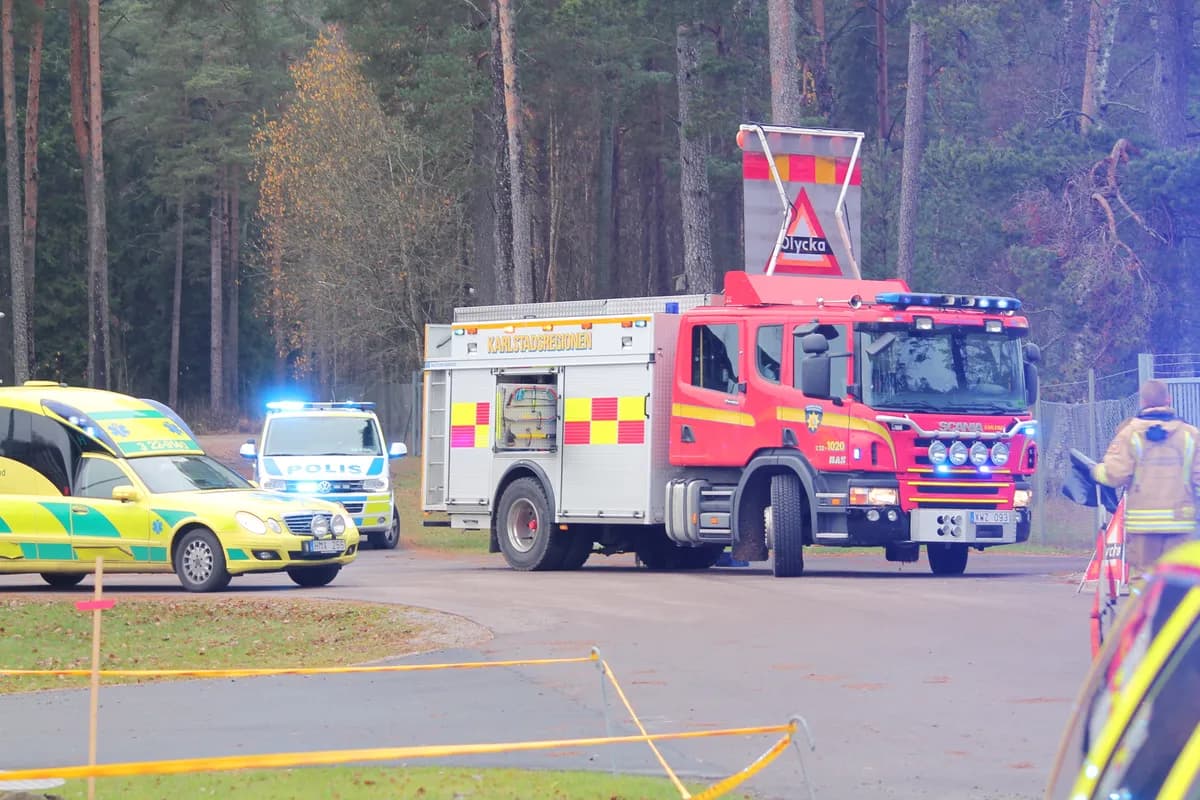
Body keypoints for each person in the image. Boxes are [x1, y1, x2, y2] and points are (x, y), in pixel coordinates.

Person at [1092, 379, 1200, 576]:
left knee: (1143, 579)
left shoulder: (1129, 434)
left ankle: (1146, 607)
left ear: (1142, 402)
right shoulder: (1191, 435)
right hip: (1180, 523)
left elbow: (1114, 475)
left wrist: (1095, 471)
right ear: (1169, 399)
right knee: (1177, 580)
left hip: (1142, 527)